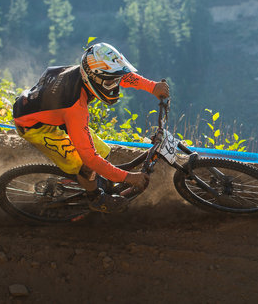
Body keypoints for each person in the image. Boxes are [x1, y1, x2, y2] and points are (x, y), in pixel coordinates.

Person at [12, 42, 170, 213]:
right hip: (35, 126)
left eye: (114, 80)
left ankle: (91, 181)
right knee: (85, 166)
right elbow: (90, 159)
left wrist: (152, 87)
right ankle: (95, 198)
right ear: (92, 78)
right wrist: (129, 177)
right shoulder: (75, 109)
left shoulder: (88, 72)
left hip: (50, 112)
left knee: (103, 150)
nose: (115, 86)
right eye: (110, 82)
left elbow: (121, 76)